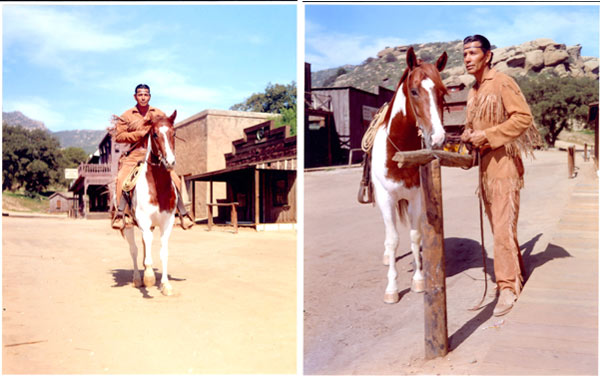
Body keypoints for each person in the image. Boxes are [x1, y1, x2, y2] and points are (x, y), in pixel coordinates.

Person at [460, 35, 541, 316]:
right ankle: (515, 274)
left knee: (503, 230)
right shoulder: (473, 91)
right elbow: (474, 127)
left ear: (488, 55)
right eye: (465, 54)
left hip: (504, 166)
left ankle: (507, 287)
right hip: (485, 170)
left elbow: (522, 118)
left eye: (472, 53)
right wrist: (469, 136)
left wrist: (489, 135)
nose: (468, 58)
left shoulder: (502, 82)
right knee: (499, 229)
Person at [111, 84, 194, 231]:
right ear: (135, 96)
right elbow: (118, 136)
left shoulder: (158, 113)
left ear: (149, 96)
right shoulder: (127, 115)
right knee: (122, 180)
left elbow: (166, 127)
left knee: (175, 179)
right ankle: (122, 215)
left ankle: (181, 213)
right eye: (140, 94)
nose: (143, 97)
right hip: (135, 155)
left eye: (146, 94)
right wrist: (140, 134)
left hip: (155, 155)